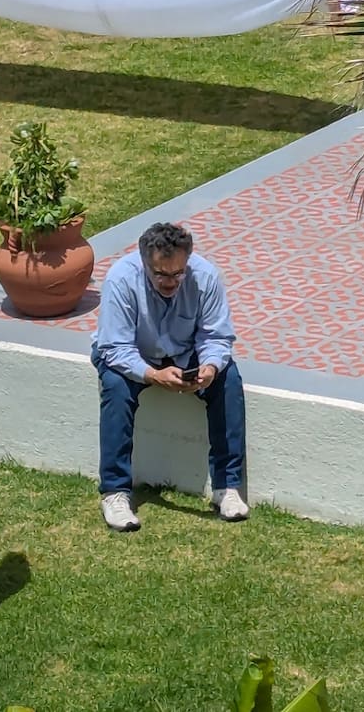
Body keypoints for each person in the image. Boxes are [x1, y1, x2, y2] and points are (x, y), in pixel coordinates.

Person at [91, 222, 249, 532]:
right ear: (144, 261)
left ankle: (227, 488)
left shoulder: (205, 276)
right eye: (161, 274)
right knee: (115, 387)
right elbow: (114, 347)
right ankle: (115, 491)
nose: (170, 282)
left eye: (178, 274)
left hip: (183, 350)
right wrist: (151, 374)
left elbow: (216, 337)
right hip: (129, 353)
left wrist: (210, 366)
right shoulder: (121, 279)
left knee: (228, 380)